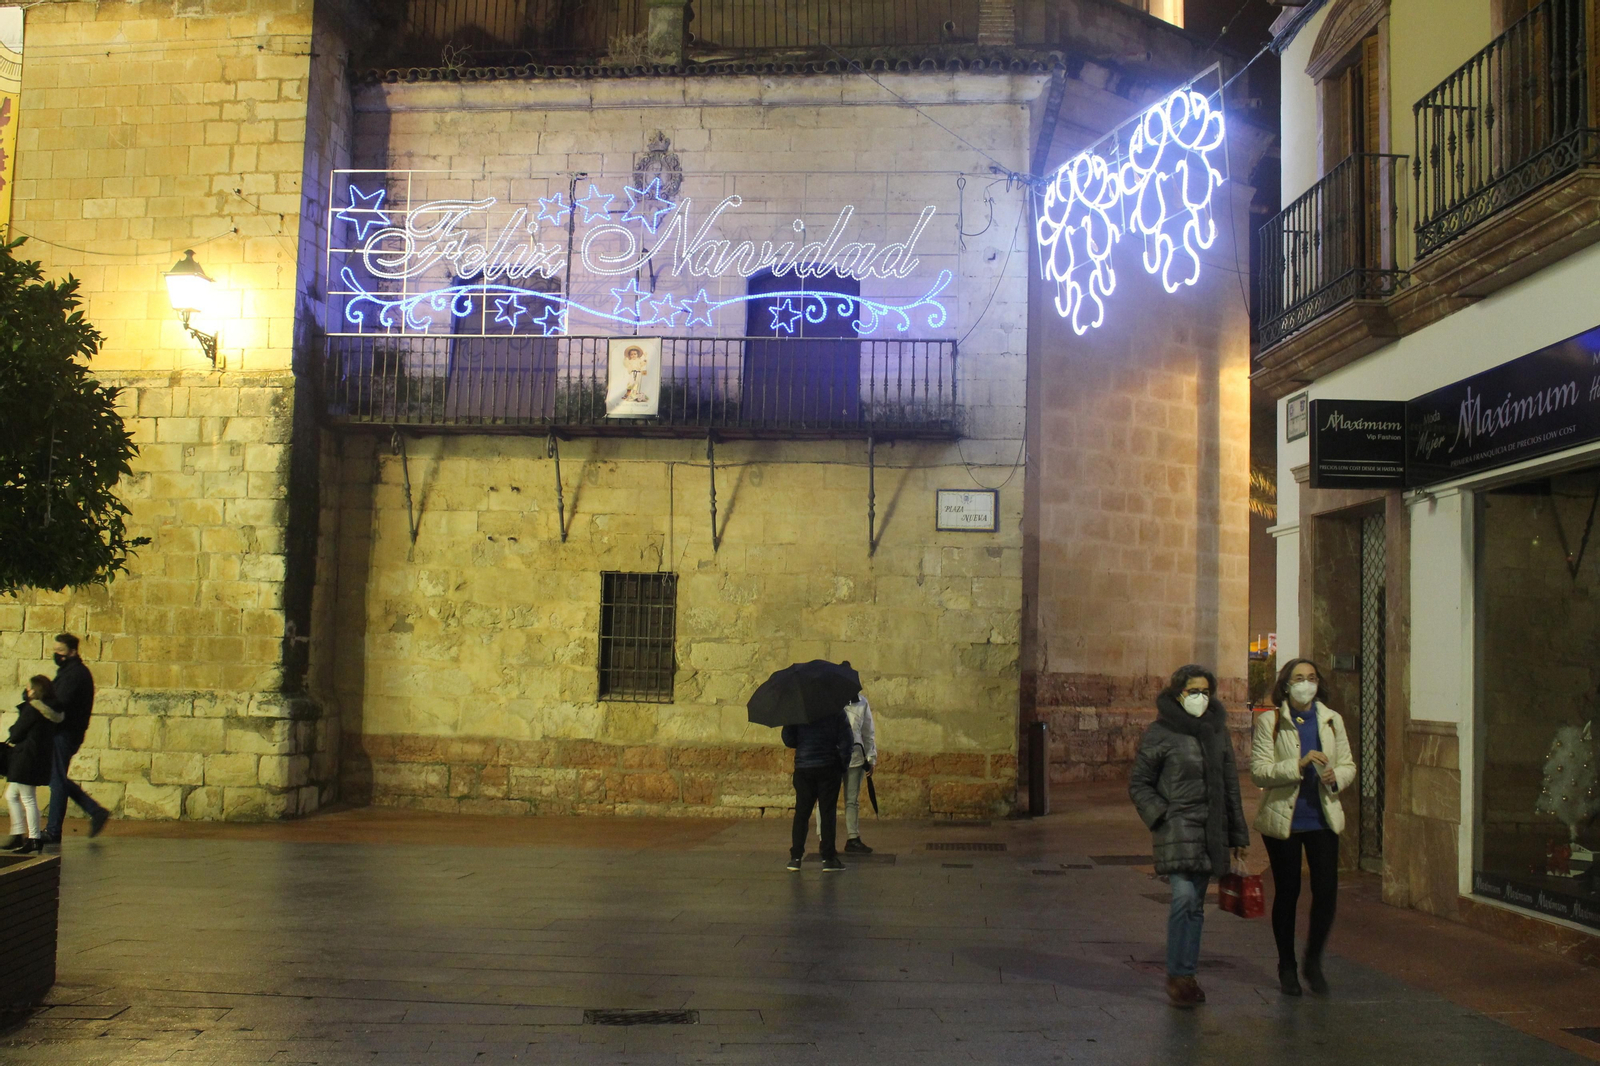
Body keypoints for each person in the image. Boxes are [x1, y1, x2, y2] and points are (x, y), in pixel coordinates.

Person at [1128, 664, 1250, 1008]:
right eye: (1192, 691)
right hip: (1178, 828)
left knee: (1197, 905)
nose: (1199, 697)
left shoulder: (1217, 731)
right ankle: (1177, 974)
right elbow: (1139, 783)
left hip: (1210, 829)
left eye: (1205, 691)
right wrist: (1161, 816)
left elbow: (1230, 785)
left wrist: (1238, 833)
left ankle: (1187, 974)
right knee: (1182, 900)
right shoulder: (1161, 732)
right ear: (1177, 693)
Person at [1251, 657, 1354, 997]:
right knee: (1289, 892)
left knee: (1326, 892)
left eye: (1311, 677)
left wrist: (1334, 777)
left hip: (1321, 817)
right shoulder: (1271, 722)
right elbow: (1260, 772)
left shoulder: (1331, 720)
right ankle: (1287, 966)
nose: (1305, 683)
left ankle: (1313, 960)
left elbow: (1348, 765)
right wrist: (1299, 763)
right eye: (1298, 678)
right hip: (1285, 820)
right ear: (1286, 683)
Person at [42, 633, 110, 846]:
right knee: (57, 777)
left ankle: (53, 830)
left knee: (57, 780)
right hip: (65, 733)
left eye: (60, 651)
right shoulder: (70, 672)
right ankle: (95, 810)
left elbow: (60, 702)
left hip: (65, 733)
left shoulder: (74, 674)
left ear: (72, 651)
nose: (57, 655)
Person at [782, 707, 854, 873]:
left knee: (802, 812)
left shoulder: (797, 711)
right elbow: (847, 740)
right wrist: (842, 764)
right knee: (827, 812)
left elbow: (788, 740)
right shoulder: (835, 710)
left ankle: (796, 857)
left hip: (804, 767)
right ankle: (828, 858)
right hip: (828, 766)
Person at [813, 691, 879, 854]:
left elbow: (867, 731)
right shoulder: (827, 702)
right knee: (826, 800)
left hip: (855, 757)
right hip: (832, 758)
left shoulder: (862, 703)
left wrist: (870, 757)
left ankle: (853, 838)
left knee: (852, 800)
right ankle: (824, 839)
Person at [6, 675, 65, 854]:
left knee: (28, 799)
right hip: (37, 758)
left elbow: (16, 733)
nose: (27, 691)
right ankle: (18, 833)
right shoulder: (51, 711)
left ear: (36, 690)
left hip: (26, 758)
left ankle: (33, 839)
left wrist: (15, 725)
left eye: (29, 688)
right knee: (11, 795)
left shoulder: (33, 709)